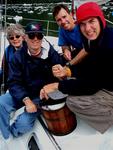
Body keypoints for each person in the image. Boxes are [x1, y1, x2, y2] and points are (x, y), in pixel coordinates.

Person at [40, 2, 113, 134]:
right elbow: (90, 68)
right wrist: (68, 71)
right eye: (83, 24)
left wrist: (57, 85)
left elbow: (92, 84)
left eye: (92, 21)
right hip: (104, 81)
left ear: (101, 20)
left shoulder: (108, 45)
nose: (88, 28)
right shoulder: (95, 40)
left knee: (74, 102)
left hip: (107, 86)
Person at [0, 21, 64, 143]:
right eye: (31, 36)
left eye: (39, 36)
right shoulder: (17, 57)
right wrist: (26, 99)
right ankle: (5, 135)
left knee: (23, 124)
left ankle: (14, 132)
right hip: (23, 92)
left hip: (40, 96)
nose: (35, 39)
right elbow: (13, 82)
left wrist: (60, 72)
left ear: (42, 37)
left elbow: (61, 70)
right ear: (26, 38)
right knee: (1, 102)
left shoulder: (50, 52)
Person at [0, 23, 25, 94]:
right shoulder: (8, 50)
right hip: (11, 81)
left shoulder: (29, 49)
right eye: (11, 38)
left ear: (23, 37)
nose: (15, 39)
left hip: (24, 84)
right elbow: (4, 70)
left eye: (17, 36)